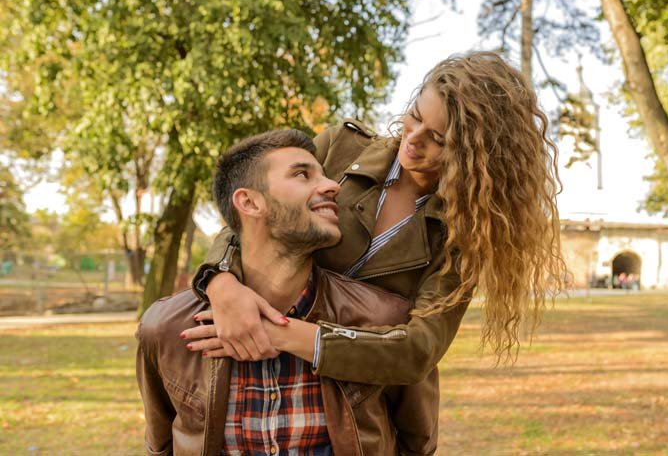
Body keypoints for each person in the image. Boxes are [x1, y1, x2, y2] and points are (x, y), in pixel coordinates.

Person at [184, 51, 567, 451]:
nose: (413, 141)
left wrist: (283, 332)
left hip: (365, 409)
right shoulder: (338, 149)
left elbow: (418, 349)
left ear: (477, 158)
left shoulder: (463, 237)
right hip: (262, 381)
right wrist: (221, 282)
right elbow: (251, 215)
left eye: (438, 140)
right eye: (415, 116)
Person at [136, 129, 415, 455]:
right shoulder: (166, 329)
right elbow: (161, 445)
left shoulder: (381, 319)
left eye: (323, 175)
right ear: (250, 202)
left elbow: (416, 442)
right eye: (302, 175)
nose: (332, 186)